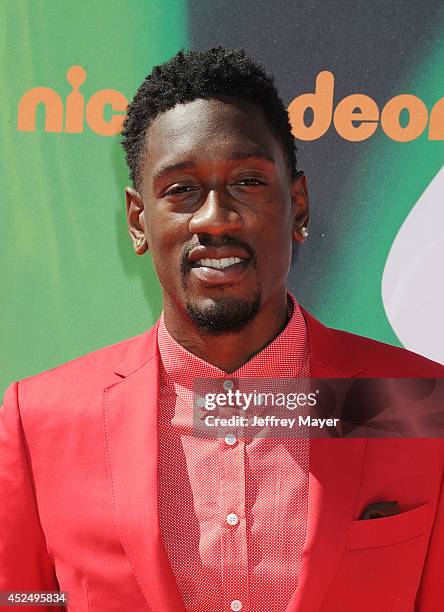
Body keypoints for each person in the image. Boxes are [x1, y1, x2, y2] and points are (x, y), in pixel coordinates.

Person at [1, 47, 443, 612]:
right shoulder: (43, 421)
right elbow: (24, 599)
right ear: (139, 221)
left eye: (248, 182)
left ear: (299, 206)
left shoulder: (413, 401)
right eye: (182, 190)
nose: (216, 217)